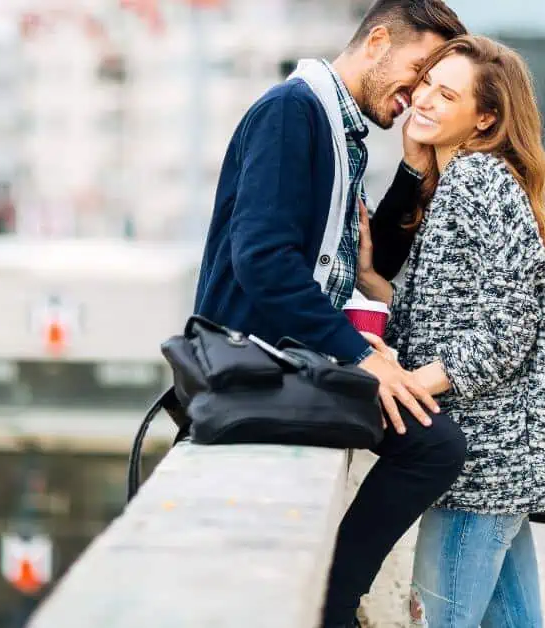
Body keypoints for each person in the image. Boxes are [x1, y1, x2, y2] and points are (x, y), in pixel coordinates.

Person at [190, 2, 468, 626]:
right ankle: (334, 604)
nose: (418, 93)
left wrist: (416, 166)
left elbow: (377, 260)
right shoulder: (293, 114)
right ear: (377, 42)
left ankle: (334, 600)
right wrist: (362, 355)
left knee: (434, 440)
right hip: (256, 366)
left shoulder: (341, 132)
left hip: (293, 359)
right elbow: (263, 261)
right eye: (418, 69)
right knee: (434, 444)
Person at [360, 35, 545, 627]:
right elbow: (449, 313)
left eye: (449, 95)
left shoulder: (476, 181)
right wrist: (371, 276)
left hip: (481, 467)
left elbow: (505, 331)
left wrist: (411, 384)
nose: (426, 102)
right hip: (500, 465)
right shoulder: (461, 185)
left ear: (485, 117)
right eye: (427, 87)